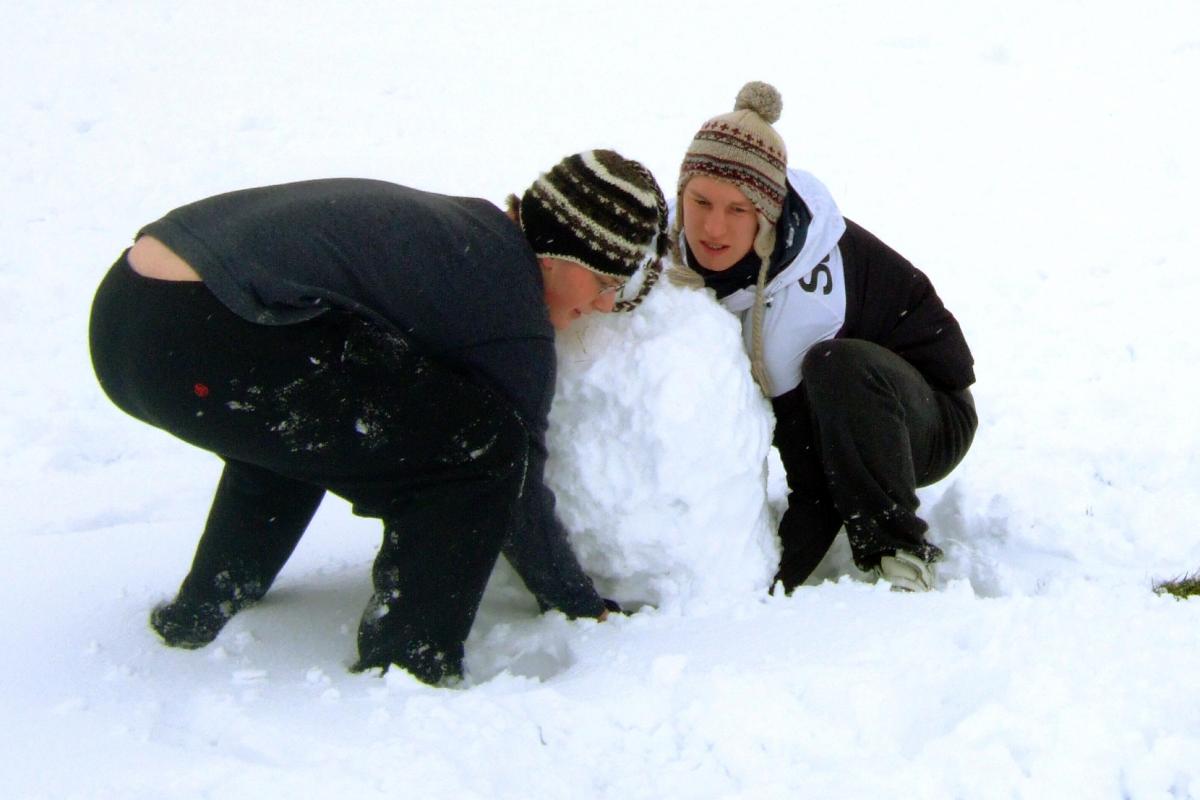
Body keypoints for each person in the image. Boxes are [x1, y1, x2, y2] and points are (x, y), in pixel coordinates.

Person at [89, 150, 668, 684]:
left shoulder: (465, 234)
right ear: (561, 253)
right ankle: (408, 665)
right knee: (481, 446)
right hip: (200, 333)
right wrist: (577, 604)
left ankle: (211, 598)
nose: (604, 304)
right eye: (603, 280)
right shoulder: (509, 306)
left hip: (130, 313)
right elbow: (515, 483)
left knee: (332, 402)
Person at [668, 82, 977, 592]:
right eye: (700, 201)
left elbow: (815, 486)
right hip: (862, 403)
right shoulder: (681, 242)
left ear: (766, 216)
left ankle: (898, 551)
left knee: (836, 365)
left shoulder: (804, 305)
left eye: (737, 210)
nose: (712, 227)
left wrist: (768, 584)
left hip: (927, 418)